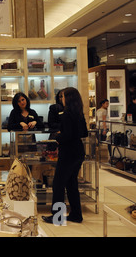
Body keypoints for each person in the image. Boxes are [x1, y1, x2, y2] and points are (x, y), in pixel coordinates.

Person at [42, 87, 88, 224]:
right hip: (78, 151)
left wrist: (58, 137)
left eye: (62, 97)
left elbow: (67, 135)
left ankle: (58, 216)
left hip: (68, 152)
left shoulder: (67, 114)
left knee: (58, 184)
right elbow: (84, 133)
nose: (61, 99)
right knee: (71, 183)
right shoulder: (79, 113)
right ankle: (76, 215)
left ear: (68, 98)